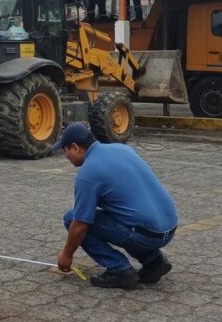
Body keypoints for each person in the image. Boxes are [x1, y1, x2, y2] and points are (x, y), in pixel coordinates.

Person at [53, 123, 178, 290]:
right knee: (124, 215)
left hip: (147, 235)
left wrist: (66, 255)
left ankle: (120, 270)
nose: (66, 157)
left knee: (71, 218)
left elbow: (80, 226)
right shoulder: (121, 148)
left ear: (75, 147)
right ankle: (154, 262)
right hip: (168, 227)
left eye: (65, 151)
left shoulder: (88, 175)